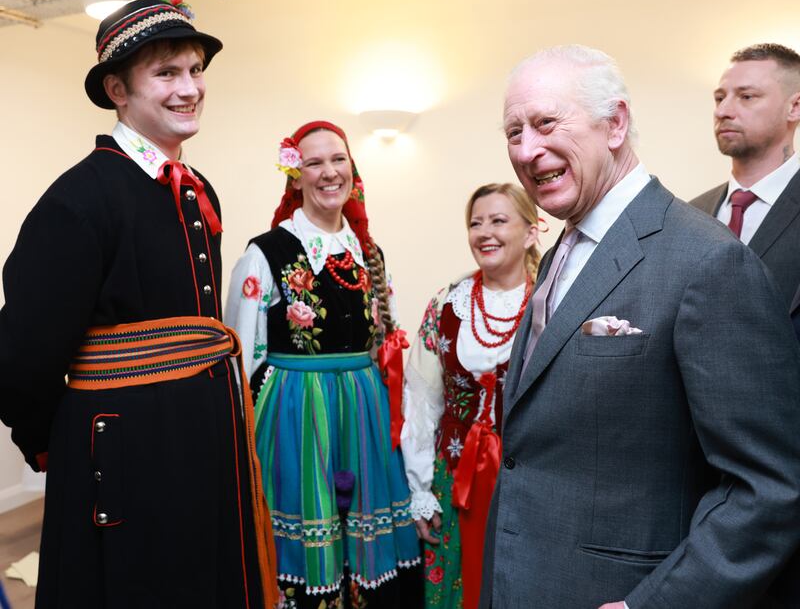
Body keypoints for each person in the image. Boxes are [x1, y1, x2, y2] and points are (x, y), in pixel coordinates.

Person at [480, 44, 800, 609]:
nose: (528, 150)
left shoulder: (707, 262)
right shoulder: (561, 250)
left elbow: (767, 488)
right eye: (514, 132)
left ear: (615, 123)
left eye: (546, 123)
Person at [0, 0, 278, 609]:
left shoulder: (194, 188)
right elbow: (22, 354)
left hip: (202, 442)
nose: (189, 88)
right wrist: (52, 442)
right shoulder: (80, 199)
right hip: (122, 453)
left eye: (195, 70)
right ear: (117, 90)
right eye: (167, 73)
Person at [225, 120, 421, 609]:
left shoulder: (369, 253)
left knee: (362, 537)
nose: (329, 172)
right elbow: (240, 361)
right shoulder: (264, 253)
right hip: (295, 414)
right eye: (314, 162)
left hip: (364, 413)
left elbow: (384, 344)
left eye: (339, 160)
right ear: (294, 176)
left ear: (354, 170)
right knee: (306, 531)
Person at [691, 42, 800, 608]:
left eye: (747, 96)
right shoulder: (688, 215)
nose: (725, 108)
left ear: (794, 107)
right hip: (688, 496)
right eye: (719, 97)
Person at [401, 183, 539, 609]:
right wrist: (420, 490)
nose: (484, 232)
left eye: (499, 220)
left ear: (532, 232)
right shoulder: (446, 303)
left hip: (528, 480)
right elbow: (422, 400)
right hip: (453, 476)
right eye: (475, 223)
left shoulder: (552, 302)